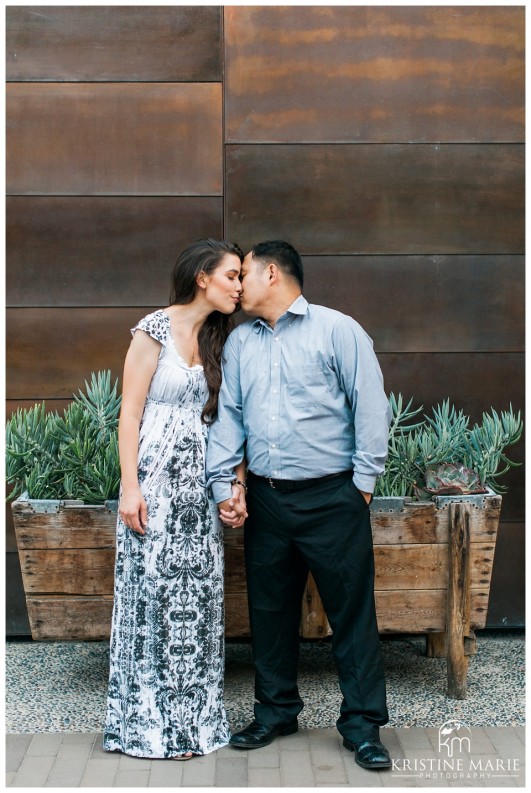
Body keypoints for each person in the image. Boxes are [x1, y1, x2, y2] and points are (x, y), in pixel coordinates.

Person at [206, 240, 392, 770]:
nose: (237, 285)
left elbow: (370, 407)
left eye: (244, 274)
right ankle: (276, 712)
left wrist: (361, 485)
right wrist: (226, 485)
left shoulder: (338, 330)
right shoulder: (242, 341)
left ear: (271, 274)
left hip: (333, 497)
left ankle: (362, 726)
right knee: (269, 610)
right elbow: (231, 417)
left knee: (351, 615)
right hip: (266, 499)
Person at [103, 239, 247, 760]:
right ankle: (146, 727)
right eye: (232, 275)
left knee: (198, 605)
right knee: (154, 602)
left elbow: (230, 423)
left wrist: (235, 484)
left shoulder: (220, 339)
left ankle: (192, 726)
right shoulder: (152, 331)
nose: (239, 285)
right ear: (203, 277)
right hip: (154, 486)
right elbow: (129, 415)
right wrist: (130, 486)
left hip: (199, 494)